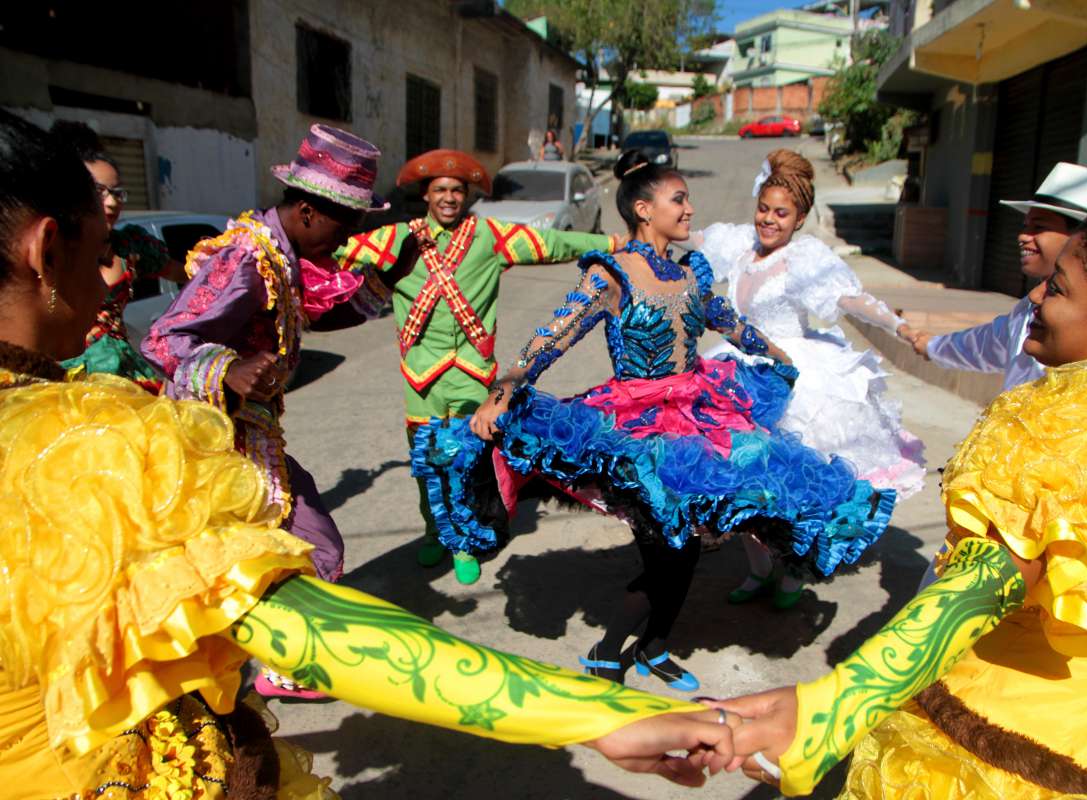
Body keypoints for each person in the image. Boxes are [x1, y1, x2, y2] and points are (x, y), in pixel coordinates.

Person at [0, 108, 742, 800]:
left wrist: (385, 290)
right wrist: (587, 713)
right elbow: (314, 622)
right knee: (317, 545)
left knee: (336, 529)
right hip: (84, 749)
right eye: (99, 259)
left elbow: (352, 299)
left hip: (432, 391)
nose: (110, 290)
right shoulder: (79, 443)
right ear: (46, 248)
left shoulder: (405, 248)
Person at [713, 204, 1087, 798]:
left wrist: (835, 706)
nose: (1039, 296)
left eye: (1060, 288)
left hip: (1026, 738)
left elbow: (992, 577)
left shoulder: (1072, 412)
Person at [413, 149, 896, 694]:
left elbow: (724, 319)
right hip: (636, 426)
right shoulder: (611, 274)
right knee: (671, 545)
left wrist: (777, 356)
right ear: (644, 210)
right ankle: (607, 651)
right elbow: (553, 335)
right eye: (679, 199)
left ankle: (654, 647)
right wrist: (504, 391)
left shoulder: (692, 271)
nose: (690, 210)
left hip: (698, 413)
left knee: (687, 541)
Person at [140, 124, 404, 699]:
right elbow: (163, 340)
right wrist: (225, 371)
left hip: (251, 432)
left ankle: (254, 667)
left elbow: (314, 312)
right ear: (308, 211)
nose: (348, 238)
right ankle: (247, 672)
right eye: (345, 224)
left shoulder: (279, 253)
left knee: (294, 550)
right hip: (215, 443)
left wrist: (389, 279)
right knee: (298, 546)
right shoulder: (244, 256)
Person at [336, 148, 620, 585]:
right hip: (421, 379)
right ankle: (435, 532)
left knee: (472, 461)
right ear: (426, 196)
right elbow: (335, 250)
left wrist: (612, 244)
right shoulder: (395, 240)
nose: (449, 197)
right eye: (440, 190)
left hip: (473, 376)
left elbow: (553, 243)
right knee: (428, 461)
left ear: (465, 195)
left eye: (456, 190)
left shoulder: (489, 236)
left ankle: (466, 539)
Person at [699, 150, 924, 610]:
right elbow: (690, 236)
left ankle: (790, 573)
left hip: (790, 378)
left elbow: (851, 299)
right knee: (742, 481)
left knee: (789, 488)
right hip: (737, 375)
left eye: (781, 213)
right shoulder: (738, 245)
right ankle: (758, 569)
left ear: (799, 219)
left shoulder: (803, 259)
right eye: (764, 209)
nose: (768, 220)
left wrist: (899, 327)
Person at [901, 162, 1087, 391]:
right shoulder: (1027, 309)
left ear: (1081, 238)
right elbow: (983, 344)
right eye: (1025, 225)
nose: (1022, 236)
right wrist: (933, 346)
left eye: (1038, 227)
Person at [49, 120, 187, 390]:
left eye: (117, 192)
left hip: (124, 375)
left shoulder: (128, 245)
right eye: (99, 191)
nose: (112, 202)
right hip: (68, 383)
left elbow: (181, 273)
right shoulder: (49, 250)